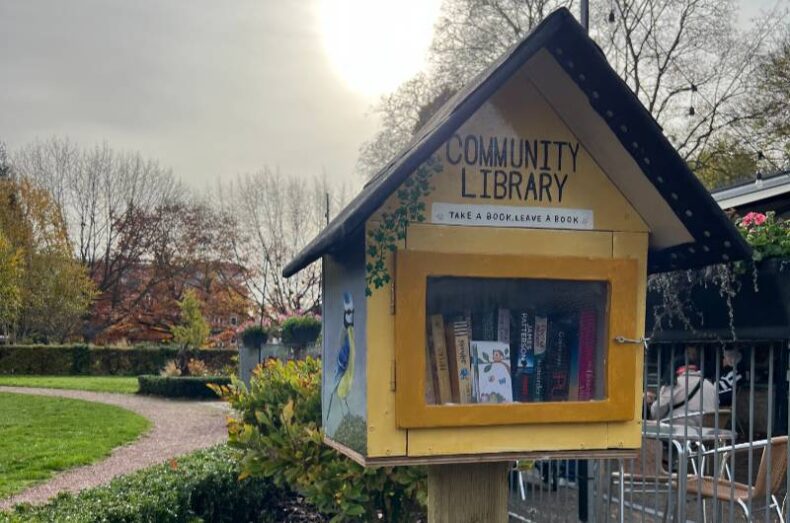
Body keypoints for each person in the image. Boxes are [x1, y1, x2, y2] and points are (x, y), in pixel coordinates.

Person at [649, 356, 717, 422]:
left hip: (679, 427)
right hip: (707, 428)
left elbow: (656, 413)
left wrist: (649, 404)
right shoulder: (710, 385)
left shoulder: (674, 384)